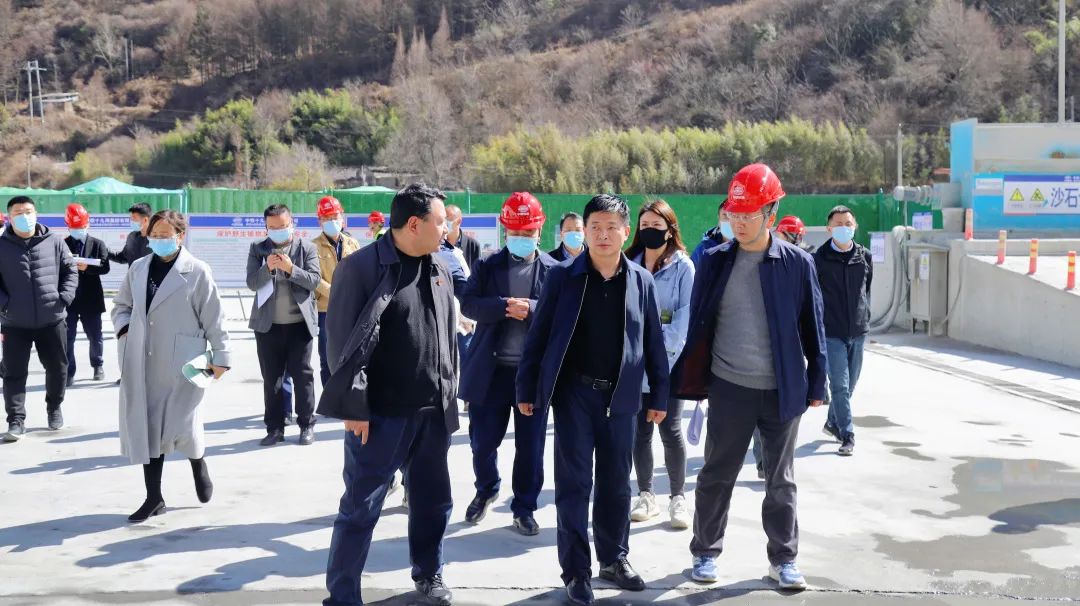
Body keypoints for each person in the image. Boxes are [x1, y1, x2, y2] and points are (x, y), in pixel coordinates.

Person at [671, 164, 827, 591]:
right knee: (717, 473)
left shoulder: (797, 264)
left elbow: (813, 326)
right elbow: (699, 321)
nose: (738, 222)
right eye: (733, 213)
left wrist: (817, 382)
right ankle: (705, 551)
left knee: (780, 480)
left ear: (770, 214)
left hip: (782, 390)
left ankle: (784, 559)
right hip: (729, 387)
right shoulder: (715, 260)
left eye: (748, 214)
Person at [516, 194, 670, 605]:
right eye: (595, 227)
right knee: (574, 485)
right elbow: (539, 337)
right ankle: (576, 571)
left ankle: (614, 559)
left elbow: (653, 342)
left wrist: (660, 392)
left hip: (622, 397)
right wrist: (527, 388)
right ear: (584, 232)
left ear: (625, 232)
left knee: (616, 485)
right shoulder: (563, 278)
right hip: (575, 396)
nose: (603, 235)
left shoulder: (641, 280)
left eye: (611, 227)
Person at [319, 183, 460, 606]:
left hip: (432, 412)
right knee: (360, 509)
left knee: (433, 503)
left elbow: (446, 336)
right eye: (441, 222)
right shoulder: (360, 268)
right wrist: (354, 406)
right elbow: (341, 346)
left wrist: (449, 394)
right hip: (379, 416)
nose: (447, 229)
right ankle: (343, 596)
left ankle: (430, 574)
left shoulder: (438, 266)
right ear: (414, 224)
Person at [112, 210, 231, 522]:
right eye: (154, 235)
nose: (159, 240)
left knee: (184, 426)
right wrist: (125, 330)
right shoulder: (138, 268)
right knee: (149, 428)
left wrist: (221, 357)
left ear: (181, 236)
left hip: (186, 361)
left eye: (166, 235)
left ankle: (198, 462)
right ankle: (154, 497)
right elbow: (122, 305)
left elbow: (214, 318)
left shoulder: (197, 271)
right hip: (143, 359)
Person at [459, 192, 558, 536]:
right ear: (505, 231)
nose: (521, 238)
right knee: (483, 442)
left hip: (531, 376)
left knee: (530, 447)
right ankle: (486, 488)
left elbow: (562, 313)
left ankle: (524, 507)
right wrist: (502, 306)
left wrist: (531, 309)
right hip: (491, 371)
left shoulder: (554, 271)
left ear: (539, 230)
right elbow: (469, 304)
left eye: (527, 232)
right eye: (515, 232)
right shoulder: (487, 266)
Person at [624, 200, 696, 530]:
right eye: (645, 225)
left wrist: (657, 355)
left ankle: (678, 497)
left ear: (670, 229)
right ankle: (646, 494)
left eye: (657, 225)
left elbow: (683, 319)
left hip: (671, 363)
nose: (650, 230)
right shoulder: (628, 263)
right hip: (633, 363)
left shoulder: (683, 267)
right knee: (639, 431)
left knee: (670, 429)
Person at [0, 196, 78, 441]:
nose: (25, 216)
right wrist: (5, 304)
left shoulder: (54, 241)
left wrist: (64, 298)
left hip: (51, 319)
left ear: (36, 213)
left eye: (28, 211)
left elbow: (70, 271)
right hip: (14, 322)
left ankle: (54, 407)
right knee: (13, 373)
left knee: (57, 368)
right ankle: (16, 420)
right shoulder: (1, 245)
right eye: (18, 213)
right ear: (9, 217)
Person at [246, 204, 321, 447]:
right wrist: (267, 268)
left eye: (283, 226)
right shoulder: (258, 249)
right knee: (272, 379)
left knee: (303, 376)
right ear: (266, 227)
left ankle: (307, 424)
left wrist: (290, 269)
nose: (278, 230)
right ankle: (275, 428)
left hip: (299, 325)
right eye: (273, 227)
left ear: (292, 224)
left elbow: (314, 281)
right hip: (268, 326)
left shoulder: (307, 248)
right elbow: (252, 283)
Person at [814, 205, 872, 457]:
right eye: (838, 224)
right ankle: (847, 435)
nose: (844, 228)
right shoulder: (818, 259)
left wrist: (864, 317)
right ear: (829, 229)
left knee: (850, 384)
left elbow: (866, 290)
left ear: (855, 226)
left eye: (848, 224)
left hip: (858, 330)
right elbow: (814, 296)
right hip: (831, 331)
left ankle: (832, 421)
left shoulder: (864, 256)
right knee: (839, 384)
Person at [313, 196, 361, 387]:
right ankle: (330, 396)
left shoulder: (352, 243)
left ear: (342, 218)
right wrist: (336, 293)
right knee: (327, 357)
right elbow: (314, 279)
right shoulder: (312, 246)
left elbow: (361, 272)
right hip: (326, 309)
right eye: (327, 218)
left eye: (335, 216)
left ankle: (349, 395)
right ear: (319, 221)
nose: (332, 221)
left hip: (352, 308)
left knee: (352, 355)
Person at [63, 203, 111, 386]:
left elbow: (105, 267)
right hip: (69, 299)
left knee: (95, 336)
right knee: (67, 338)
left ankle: (98, 365)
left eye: (82, 227)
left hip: (91, 298)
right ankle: (69, 371)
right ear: (68, 226)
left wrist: (87, 268)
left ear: (88, 224)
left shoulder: (98, 244)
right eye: (75, 227)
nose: (79, 230)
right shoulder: (62, 244)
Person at [690, 200, 733, 268]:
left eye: (734, 216)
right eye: (725, 215)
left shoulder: (746, 248)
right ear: (719, 218)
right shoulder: (704, 248)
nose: (729, 220)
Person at [445, 204, 481, 270]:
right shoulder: (437, 244)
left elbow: (477, 271)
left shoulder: (473, 245)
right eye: (443, 218)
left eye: (448, 218)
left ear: (459, 221)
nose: (445, 222)